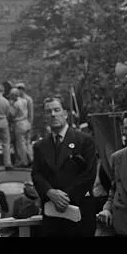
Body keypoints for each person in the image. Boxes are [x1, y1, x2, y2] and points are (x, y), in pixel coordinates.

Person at [31, 95, 97, 238]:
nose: (53, 114)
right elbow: (36, 174)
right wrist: (50, 192)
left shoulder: (84, 141)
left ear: (65, 114)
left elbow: (89, 174)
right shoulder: (39, 146)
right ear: (45, 117)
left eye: (56, 110)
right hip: (52, 216)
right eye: (49, 111)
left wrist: (65, 197)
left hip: (79, 213)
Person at [8, 87, 32, 168]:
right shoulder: (24, 101)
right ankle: (31, 158)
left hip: (19, 124)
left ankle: (24, 162)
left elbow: (12, 114)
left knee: (21, 145)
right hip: (26, 123)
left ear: (14, 96)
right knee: (27, 143)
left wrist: (10, 105)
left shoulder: (15, 104)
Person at [16, 82, 34, 162]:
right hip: (26, 123)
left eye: (20, 89)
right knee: (26, 143)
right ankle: (29, 159)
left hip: (24, 123)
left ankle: (26, 160)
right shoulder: (26, 99)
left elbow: (31, 113)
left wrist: (30, 123)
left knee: (23, 143)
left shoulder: (27, 99)